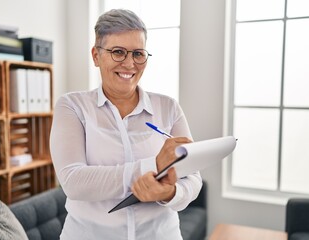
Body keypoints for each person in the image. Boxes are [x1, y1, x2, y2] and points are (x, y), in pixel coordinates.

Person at [50, 9, 202, 240]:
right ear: (96, 55)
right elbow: (73, 181)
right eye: (118, 52)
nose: (130, 63)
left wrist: (171, 192)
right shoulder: (72, 106)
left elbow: (193, 177)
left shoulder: (168, 107)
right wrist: (152, 166)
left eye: (138, 53)